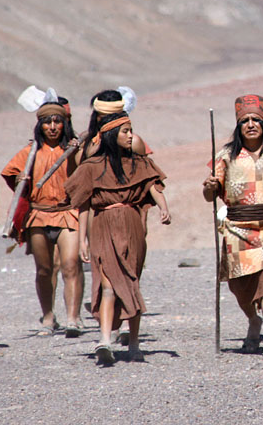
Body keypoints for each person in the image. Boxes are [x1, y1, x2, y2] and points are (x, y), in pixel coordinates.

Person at [66, 111, 170, 364]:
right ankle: (104, 340)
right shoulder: (91, 167)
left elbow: (152, 186)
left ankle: (133, 341)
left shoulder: (138, 163)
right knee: (108, 285)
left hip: (132, 226)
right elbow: (84, 205)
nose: (131, 135)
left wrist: (164, 207)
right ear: (111, 135)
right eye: (126, 131)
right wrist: (82, 241)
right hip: (103, 226)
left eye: (131, 130)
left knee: (131, 283)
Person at [204, 95, 263, 359]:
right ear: (238, 125)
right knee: (239, 285)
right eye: (244, 120)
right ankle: (252, 320)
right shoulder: (224, 156)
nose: (250, 124)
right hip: (237, 228)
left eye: (256, 119)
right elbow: (211, 196)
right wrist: (210, 189)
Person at [1, 100, 84, 337]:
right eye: (47, 122)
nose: (53, 126)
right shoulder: (30, 152)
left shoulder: (72, 151)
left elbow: (87, 173)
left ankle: (73, 317)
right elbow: (11, 174)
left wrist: (78, 152)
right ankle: (48, 317)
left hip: (68, 213)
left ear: (64, 124)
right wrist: (20, 181)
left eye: (57, 121)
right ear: (40, 125)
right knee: (44, 270)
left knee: (70, 265)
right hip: (38, 215)